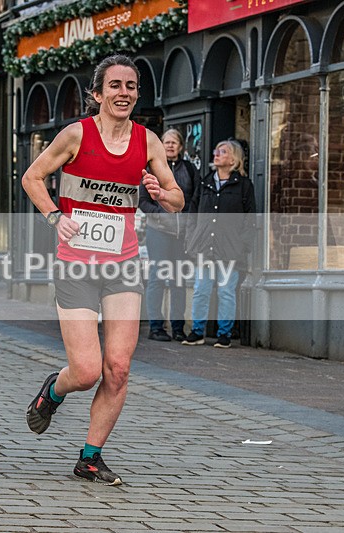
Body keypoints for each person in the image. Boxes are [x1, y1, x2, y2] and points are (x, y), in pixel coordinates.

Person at [21, 55, 184, 485]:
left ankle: (90, 457)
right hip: (77, 263)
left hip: (124, 263)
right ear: (97, 94)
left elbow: (177, 197)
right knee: (87, 369)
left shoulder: (147, 142)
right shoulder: (77, 134)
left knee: (118, 366)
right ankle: (53, 391)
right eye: (114, 85)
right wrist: (57, 217)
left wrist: (161, 192)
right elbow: (32, 178)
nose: (123, 92)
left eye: (130, 85)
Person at [182, 139, 255, 348]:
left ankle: (225, 333)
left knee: (225, 291)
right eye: (216, 150)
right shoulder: (205, 182)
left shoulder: (243, 185)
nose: (216, 154)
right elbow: (193, 213)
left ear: (234, 159)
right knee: (201, 289)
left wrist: (242, 246)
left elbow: (251, 219)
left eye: (222, 152)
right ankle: (197, 331)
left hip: (230, 249)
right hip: (204, 246)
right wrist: (191, 239)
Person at [139, 128, 199, 342]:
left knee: (179, 280)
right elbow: (143, 201)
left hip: (182, 234)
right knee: (157, 278)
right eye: (167, 142)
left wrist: (189, 222)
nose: (171, 145)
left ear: (181, 147)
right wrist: (159, 215)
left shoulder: (190, 170)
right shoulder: (151, 169)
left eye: (175, 142)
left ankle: (178, 327)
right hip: (159, 232)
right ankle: (156, 326)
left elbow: (194, 199)